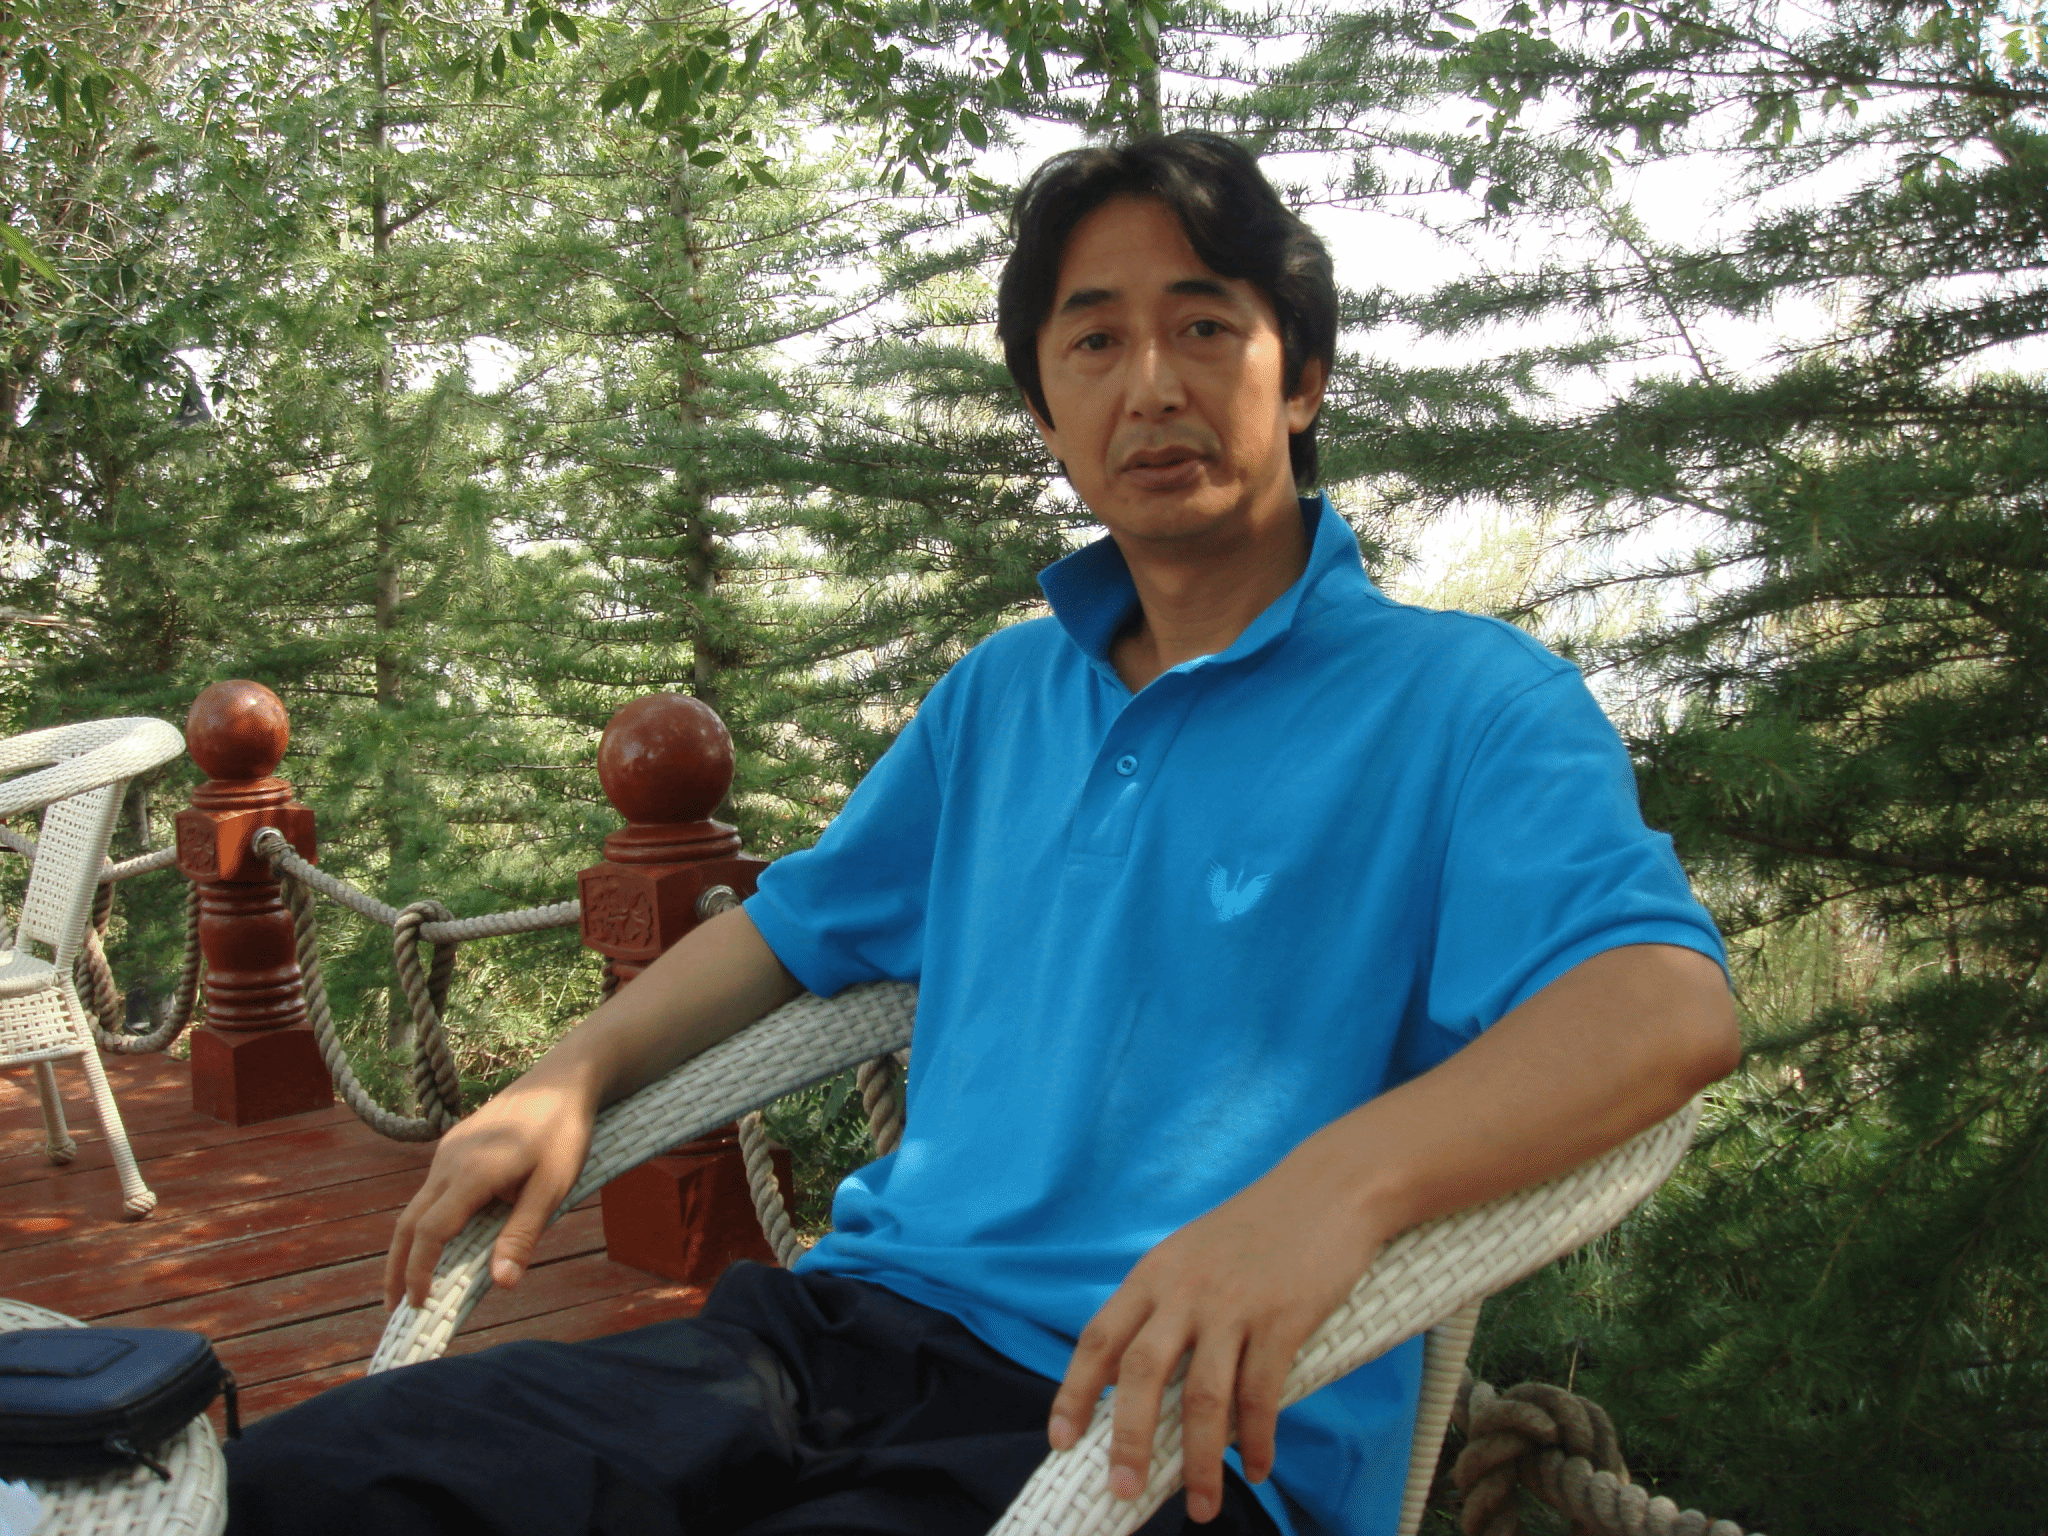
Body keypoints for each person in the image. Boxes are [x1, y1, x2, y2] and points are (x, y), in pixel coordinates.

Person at [224, 132, 1739, 1536]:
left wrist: (1324, 1198)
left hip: (1167, 1432)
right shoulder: (1005, 696)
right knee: (293, 1487)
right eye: (1095, 341)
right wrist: (568, 1075)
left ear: (1303, 381)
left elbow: (1663, 1007)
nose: (1152, 384)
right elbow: (788, 932)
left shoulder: (1469, 704)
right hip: (831, 1342)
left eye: (1206, 326)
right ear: (1048, 415)